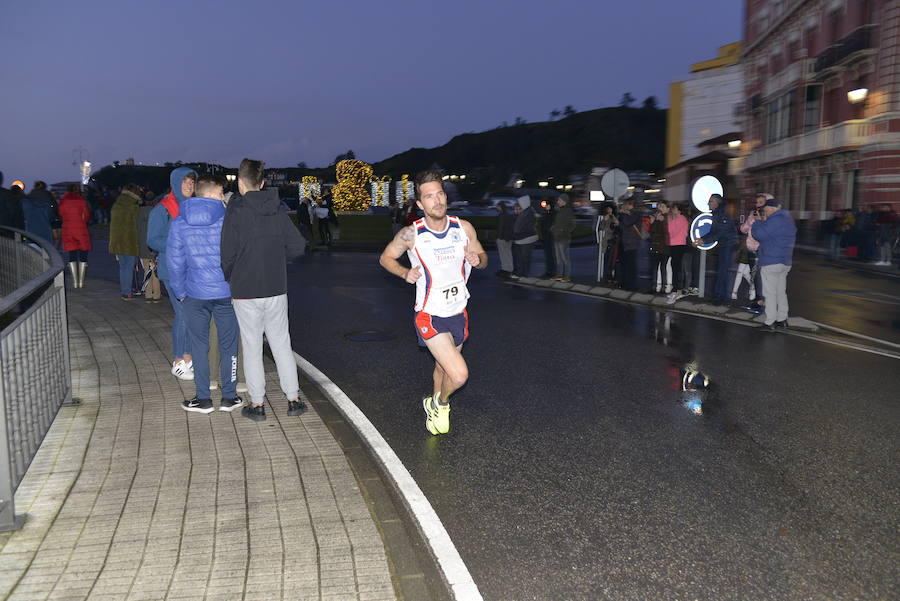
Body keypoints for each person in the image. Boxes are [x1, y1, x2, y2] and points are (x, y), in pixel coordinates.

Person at [378, 170, 487, 435]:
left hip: (458, 312)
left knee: (442, 367)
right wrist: (405, 273)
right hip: (429, 315)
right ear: (420, 204)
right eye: (429, 196)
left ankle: (433, 403)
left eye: (440, 194)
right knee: (459, 375)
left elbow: (483, 258)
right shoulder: (411, 234)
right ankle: (440, 402)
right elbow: (385, 258)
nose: (437, 200)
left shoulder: (464, 229)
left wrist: (477, 260)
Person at [221, 158, 308, 422]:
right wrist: (276, 260)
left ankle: (258, 404)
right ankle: (293, 399)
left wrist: (232, 276)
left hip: (246, 289)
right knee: (282, 343)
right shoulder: (276, 210)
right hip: (275, 287)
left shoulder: (235, 213)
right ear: (262, 183)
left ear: (240, 183)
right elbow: (298, 246)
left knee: (251, 346)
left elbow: (227, 255)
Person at [167, 174, 241, 413]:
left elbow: (175, 262)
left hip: (194, 293)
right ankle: (229, 397)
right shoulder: (228, 219)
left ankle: (203, 399)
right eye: (221, 193)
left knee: (199, 345)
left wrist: (180, 292)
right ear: (211, 193)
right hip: (226, 291)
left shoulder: (179, 221)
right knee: (228, 343)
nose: (223, 197)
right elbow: (238, 256)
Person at [148, 167, 197, 381]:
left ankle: (188, 356)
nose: (189, 186)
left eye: (192, 182)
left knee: (190, 313)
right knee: (184, 313)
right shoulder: (163, 209)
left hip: (192, 269)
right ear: (176, 183)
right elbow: (152, 239)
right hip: (171, 269)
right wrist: (178, 244)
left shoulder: (194, 206)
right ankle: (179, 360)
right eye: (185, 181)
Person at [751, 198, 797, 331]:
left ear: (771, 208)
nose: (765, 212)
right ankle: (782, 319)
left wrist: (758, 222)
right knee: (781, 292)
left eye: (765, 210)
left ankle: (770, 321)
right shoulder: (788, 220)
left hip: (771, 261)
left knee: (770, 293)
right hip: (785, 261)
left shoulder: (774, 220)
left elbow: (758, 234)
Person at [694, 194, 737, 303]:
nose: (708, 203)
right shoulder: (718, 213)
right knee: (720, 270)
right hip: (724, 244)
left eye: (710, 201)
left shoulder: (723, 214)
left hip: (728, 244)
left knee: (723, 271)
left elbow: (720, 232)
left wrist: (704, 240)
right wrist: (702, 239)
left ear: (716, 203)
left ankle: (722, 297)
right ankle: (719, 295)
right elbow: (713, 232)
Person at [109, 184, 142, 300]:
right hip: (130, 241)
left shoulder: (116, 205)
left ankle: (125, 289)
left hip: (117, 241)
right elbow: (138, 226)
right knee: (129, 266)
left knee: (123, 267)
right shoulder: (134, 206)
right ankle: (127, 292)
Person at [58, 184, 91, 288]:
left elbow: (61, 214)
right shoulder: (82, 201)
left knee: (72, 254)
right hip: (80, 229)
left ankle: (75, 282)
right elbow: (86, 216)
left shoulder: (63, 202)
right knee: (83, 255)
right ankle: (81, 281)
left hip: (68, 229)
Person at [137, 193, 161, 302]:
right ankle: (156, 294)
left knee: (147, 270)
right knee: (155, 270)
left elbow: (137, 229)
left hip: (143, 244)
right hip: (154, 244)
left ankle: (148, 294)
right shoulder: (157, 212)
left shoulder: (140, 212)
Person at [618, 199, 643, 291]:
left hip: (632, 242)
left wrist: (623, 214)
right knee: (625, 264)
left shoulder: (637, 214)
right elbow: (623, 227)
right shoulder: (627, 214)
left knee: (631, 265)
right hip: (625, 242)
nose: (625, 207)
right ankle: (625, 283)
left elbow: (628, 223)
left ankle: (632, 284)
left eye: (627, 205)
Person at [551, 193, 576, 281]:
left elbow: (572, 224)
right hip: (557, 237)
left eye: (559, 200)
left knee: (565, 258)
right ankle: (559, 275)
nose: (558, 201)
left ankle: (567, 276)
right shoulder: (560, 210)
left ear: (564, 201)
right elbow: (558, 222)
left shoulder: (568, 211)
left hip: (563, 238)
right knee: (559, 258)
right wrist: (554, 228)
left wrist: (564, 231)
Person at [512, 195, 537, 278]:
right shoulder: (525, 212)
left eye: (520, 203)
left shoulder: (528, 213)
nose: (518, 205)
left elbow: (525, 227)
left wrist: (518, 233)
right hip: (521, 238)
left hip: (526, 238)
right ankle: (520, 273)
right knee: (520, 257)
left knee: (524, 257)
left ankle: (523, 274)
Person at [666, 203, 689, 295]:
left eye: (674, 209)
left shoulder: (680, 219)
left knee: (676, 266)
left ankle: (677, 287)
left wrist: (670, 222)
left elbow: (672, 232)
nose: (672, 210)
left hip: (677, 244)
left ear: (679, 210)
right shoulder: (681, 219)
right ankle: (677, 287)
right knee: (676, 265)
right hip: (676, 244)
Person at [649, 201, 670, 293]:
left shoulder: (668, 218)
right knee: (654, 267)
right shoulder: (657, 218)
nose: (660, 208)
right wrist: (653, 222)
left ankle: (664, 286)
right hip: (655, 246)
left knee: (663, 267)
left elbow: (668, 232)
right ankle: (654, 286)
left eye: (662, 206)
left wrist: (663, 221)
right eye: (659, 206)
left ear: (667, 208)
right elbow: (652, 232)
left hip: (664, 246)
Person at [731, 235, 756, 301]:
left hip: (749, 249)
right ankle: (753, 289)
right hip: (747, 249)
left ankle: (734, 292)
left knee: (741, 273)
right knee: (743, 273)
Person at [495, 202, 515, 277]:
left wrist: (498, 237)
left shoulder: (502, 215)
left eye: (497, 206)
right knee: (508, 253)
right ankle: (509, 268)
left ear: (500, 207)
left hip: (502, 238)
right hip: (508, 237)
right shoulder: (508, 215)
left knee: (503, 254)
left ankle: (506, 269)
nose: (496, 208)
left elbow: (501, 227)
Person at [538, 199, 556, 278]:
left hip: (549, 237)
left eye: (547, 205)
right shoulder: (547, 213)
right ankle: (550, 271)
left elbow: (549, 225)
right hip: (546, 237)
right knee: (548, 255)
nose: (546, 206)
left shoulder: (552, 214)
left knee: (550, 255)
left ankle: (551, 271)